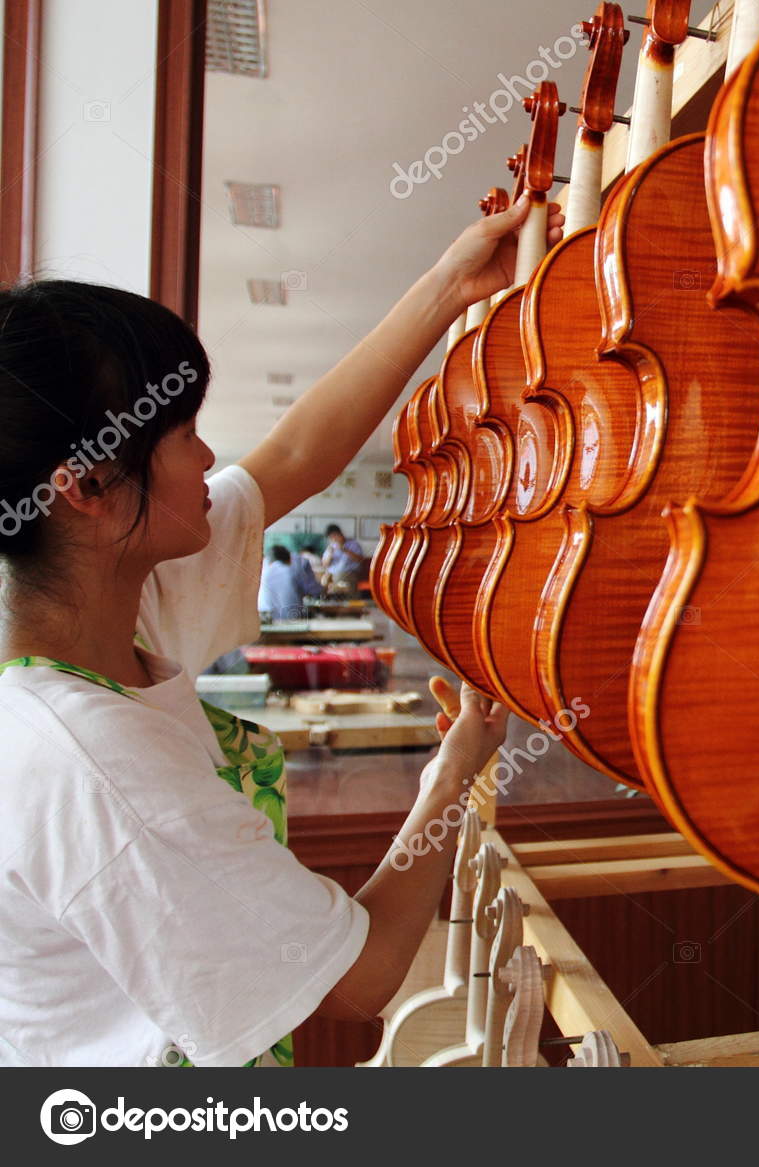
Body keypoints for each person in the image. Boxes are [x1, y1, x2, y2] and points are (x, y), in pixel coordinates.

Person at [0, 188, 562, 1066]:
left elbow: (295, 456)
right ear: (89, 487)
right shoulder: (93, 762)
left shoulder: (101, 599)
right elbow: (363, 976)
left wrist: (453, 284)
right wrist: (450, 777)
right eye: (183, 433)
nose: (208, 457)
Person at [258, 544, 304, 621]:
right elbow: (310, 590)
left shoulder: (263, 571)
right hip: (292, 621)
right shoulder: (291, 571)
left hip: (266, 620)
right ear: (288, 560)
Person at [320, 524, 366, 588]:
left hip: (349, 572)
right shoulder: (331, 547)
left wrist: (344, 550)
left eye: (334, 536)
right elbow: (325, 565)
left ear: (340, 534)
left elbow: (360, 560)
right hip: (332, 573)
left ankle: (334, 591)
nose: (333, 539)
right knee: (323, 581)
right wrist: (330, 554)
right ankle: (325, 595)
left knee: (338, 578)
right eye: (331, 537)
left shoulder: (354, 544)